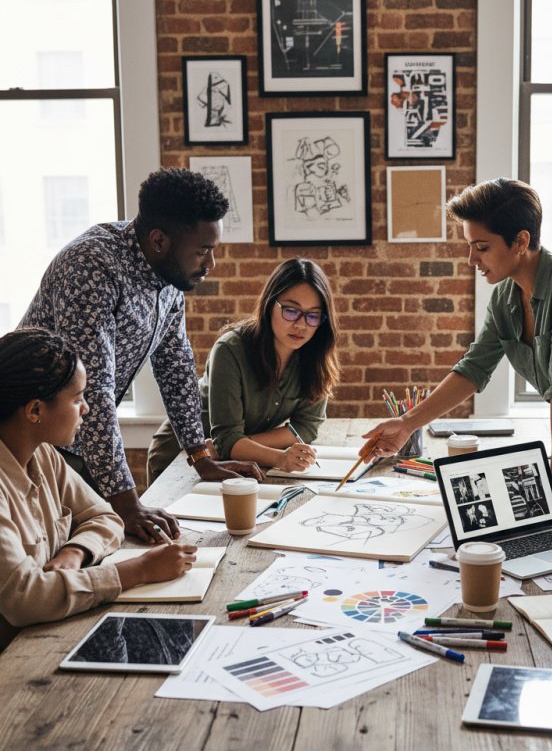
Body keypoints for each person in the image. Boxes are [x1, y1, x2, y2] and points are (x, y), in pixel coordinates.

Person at [361, 178, 552, 529]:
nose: (472, 259)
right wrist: (407, 423)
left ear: (521, 241)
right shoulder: (506, 295)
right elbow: (473, 369)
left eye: (482, 247)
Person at [19, 168, 261, 544]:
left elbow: (176, 365)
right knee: (45, 564)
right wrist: (128, 504)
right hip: (31, 441)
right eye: (202, 250)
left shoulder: (168, 277)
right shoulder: (91, 266)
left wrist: (201, 456)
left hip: (78, 436)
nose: (210, 263)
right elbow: (95, 392)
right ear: (159, 240)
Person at [0, 329, 197, 653]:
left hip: (49, 636)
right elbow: (24, 598)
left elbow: (104, 516)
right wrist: (140, 569)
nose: (87, 409)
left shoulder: (44, 455)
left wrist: (73, 552)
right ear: (35, 411)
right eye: (77, 399)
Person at [147, 258, 340, 477]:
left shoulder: (316, 356)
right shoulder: (230, 349)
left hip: (230, 454)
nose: (301, 324)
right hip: (183, 455)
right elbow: (227, 436)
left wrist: (230, 446)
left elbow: (306, 427)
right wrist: (279, 457)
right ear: (270, 304)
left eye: (313, 315)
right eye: (291, 310)